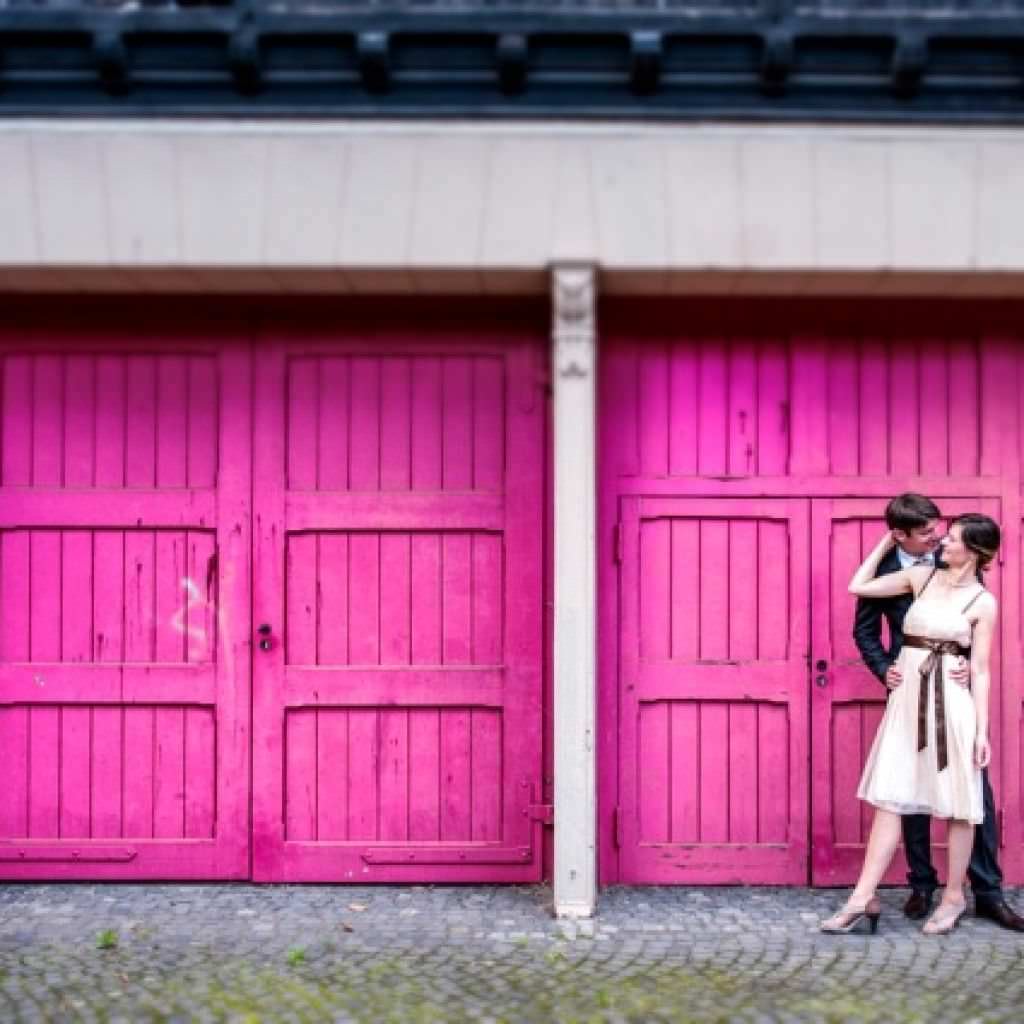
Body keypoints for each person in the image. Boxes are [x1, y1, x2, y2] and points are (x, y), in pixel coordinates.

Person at [822, 512, 1000, 935]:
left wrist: (981, 731)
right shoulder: (921, 576)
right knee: (891, 797)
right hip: (907, 702)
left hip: (952, 704)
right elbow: (858, 586)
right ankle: (862, 895)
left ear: (974, 551)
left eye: (953, 539)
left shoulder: (983, 602)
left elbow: (980, 670)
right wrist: (886, 544)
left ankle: (953, 897)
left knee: (959, 804)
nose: (943, 543)